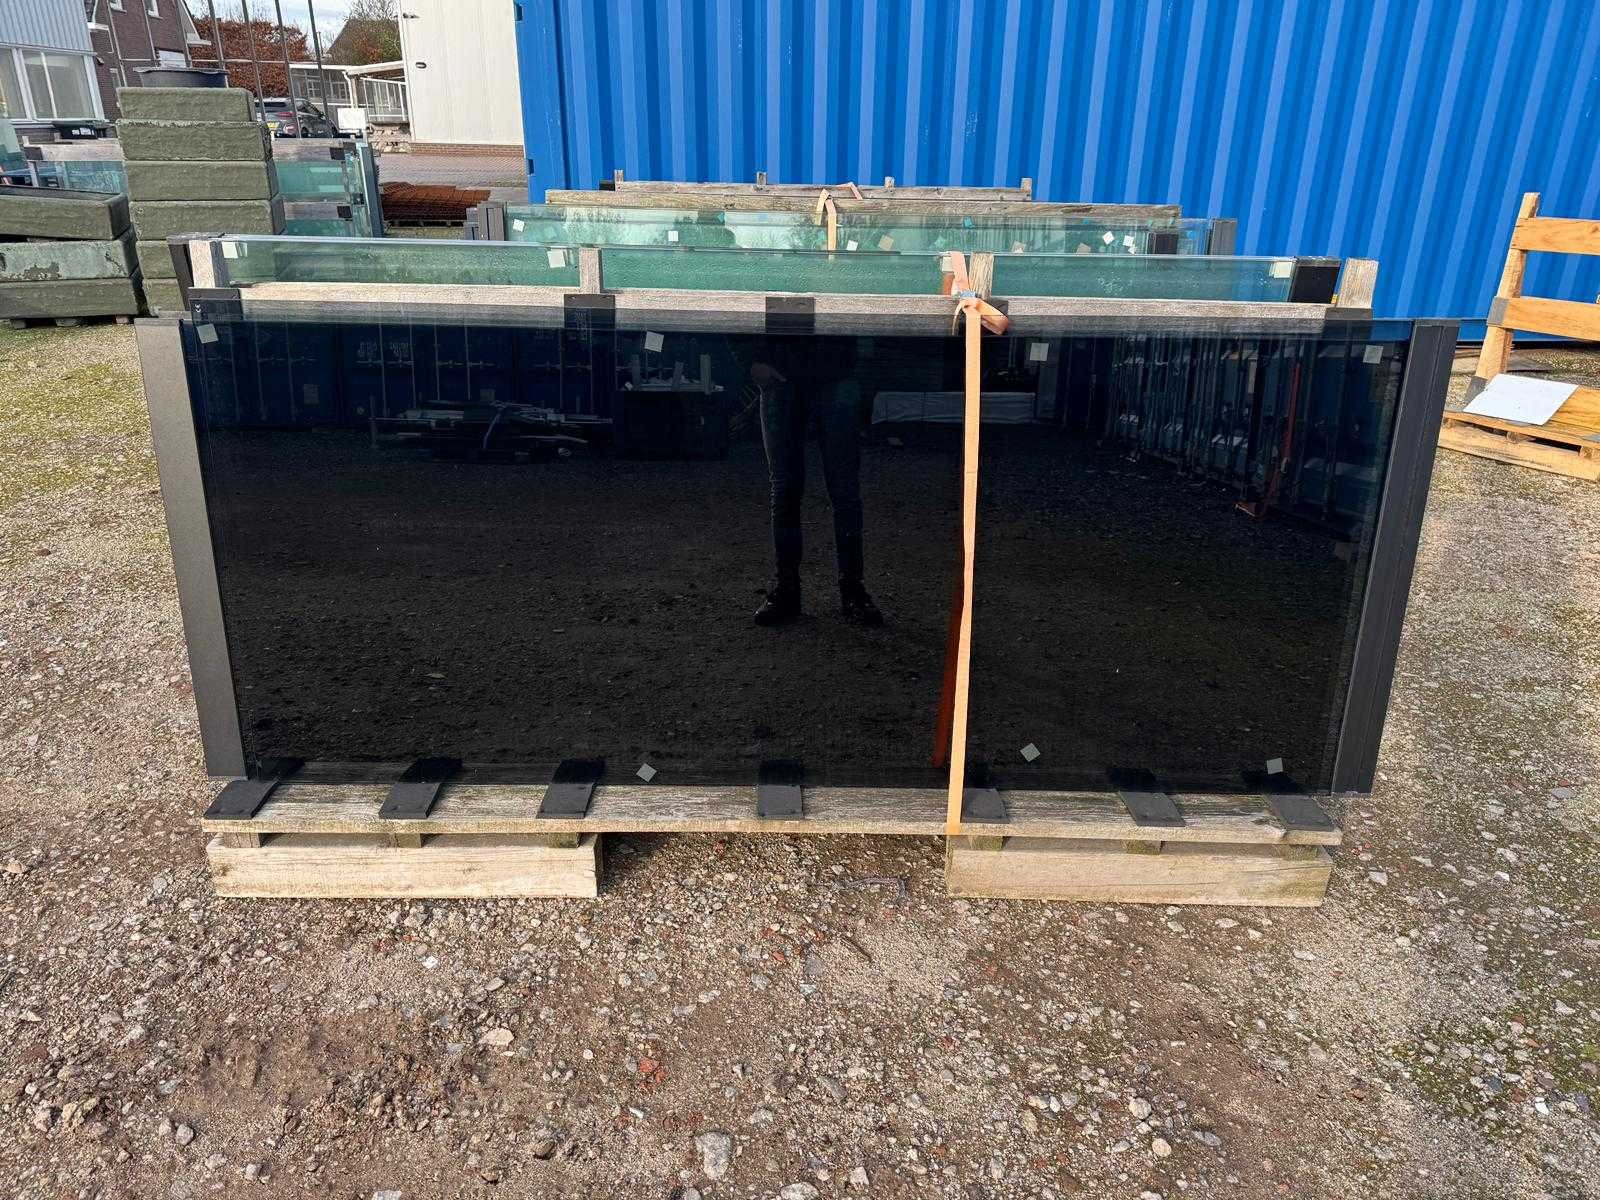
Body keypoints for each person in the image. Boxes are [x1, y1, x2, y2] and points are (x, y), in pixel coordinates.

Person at [751, 337, 883, 628]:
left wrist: (749, 362)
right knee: (800, 489)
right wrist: (749, 362)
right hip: (798, 373)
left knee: (833, 490)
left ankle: (808, 589)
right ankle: (839, 589)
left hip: (818, 372)